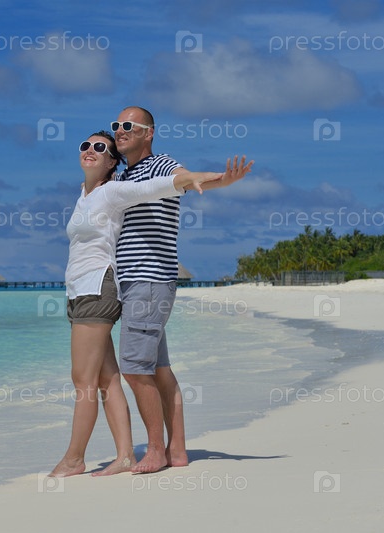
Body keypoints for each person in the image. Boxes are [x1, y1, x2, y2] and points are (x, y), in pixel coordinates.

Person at [49, 130, 250, 477]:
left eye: (100, 147)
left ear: (112, 162)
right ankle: (126, 455)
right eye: (85, 145)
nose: (90, 150)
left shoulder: (113, 190)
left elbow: (160, 186)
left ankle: (74, 459)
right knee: (106, 379)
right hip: (79, 290)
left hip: (98, 287)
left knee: (83, 379)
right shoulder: (84, 194)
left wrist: (214, 179)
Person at [112, 106, 253, 473]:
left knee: (134, 370)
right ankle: (177, 450)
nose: (119, 130)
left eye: (128, 125)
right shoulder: (125, 175)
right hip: (139, 284)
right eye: (116, 125)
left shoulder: (160, 164)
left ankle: (155, 450)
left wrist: (223, 180)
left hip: (148, 281)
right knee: (159, 370)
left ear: (148, 133)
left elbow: (186, 179)